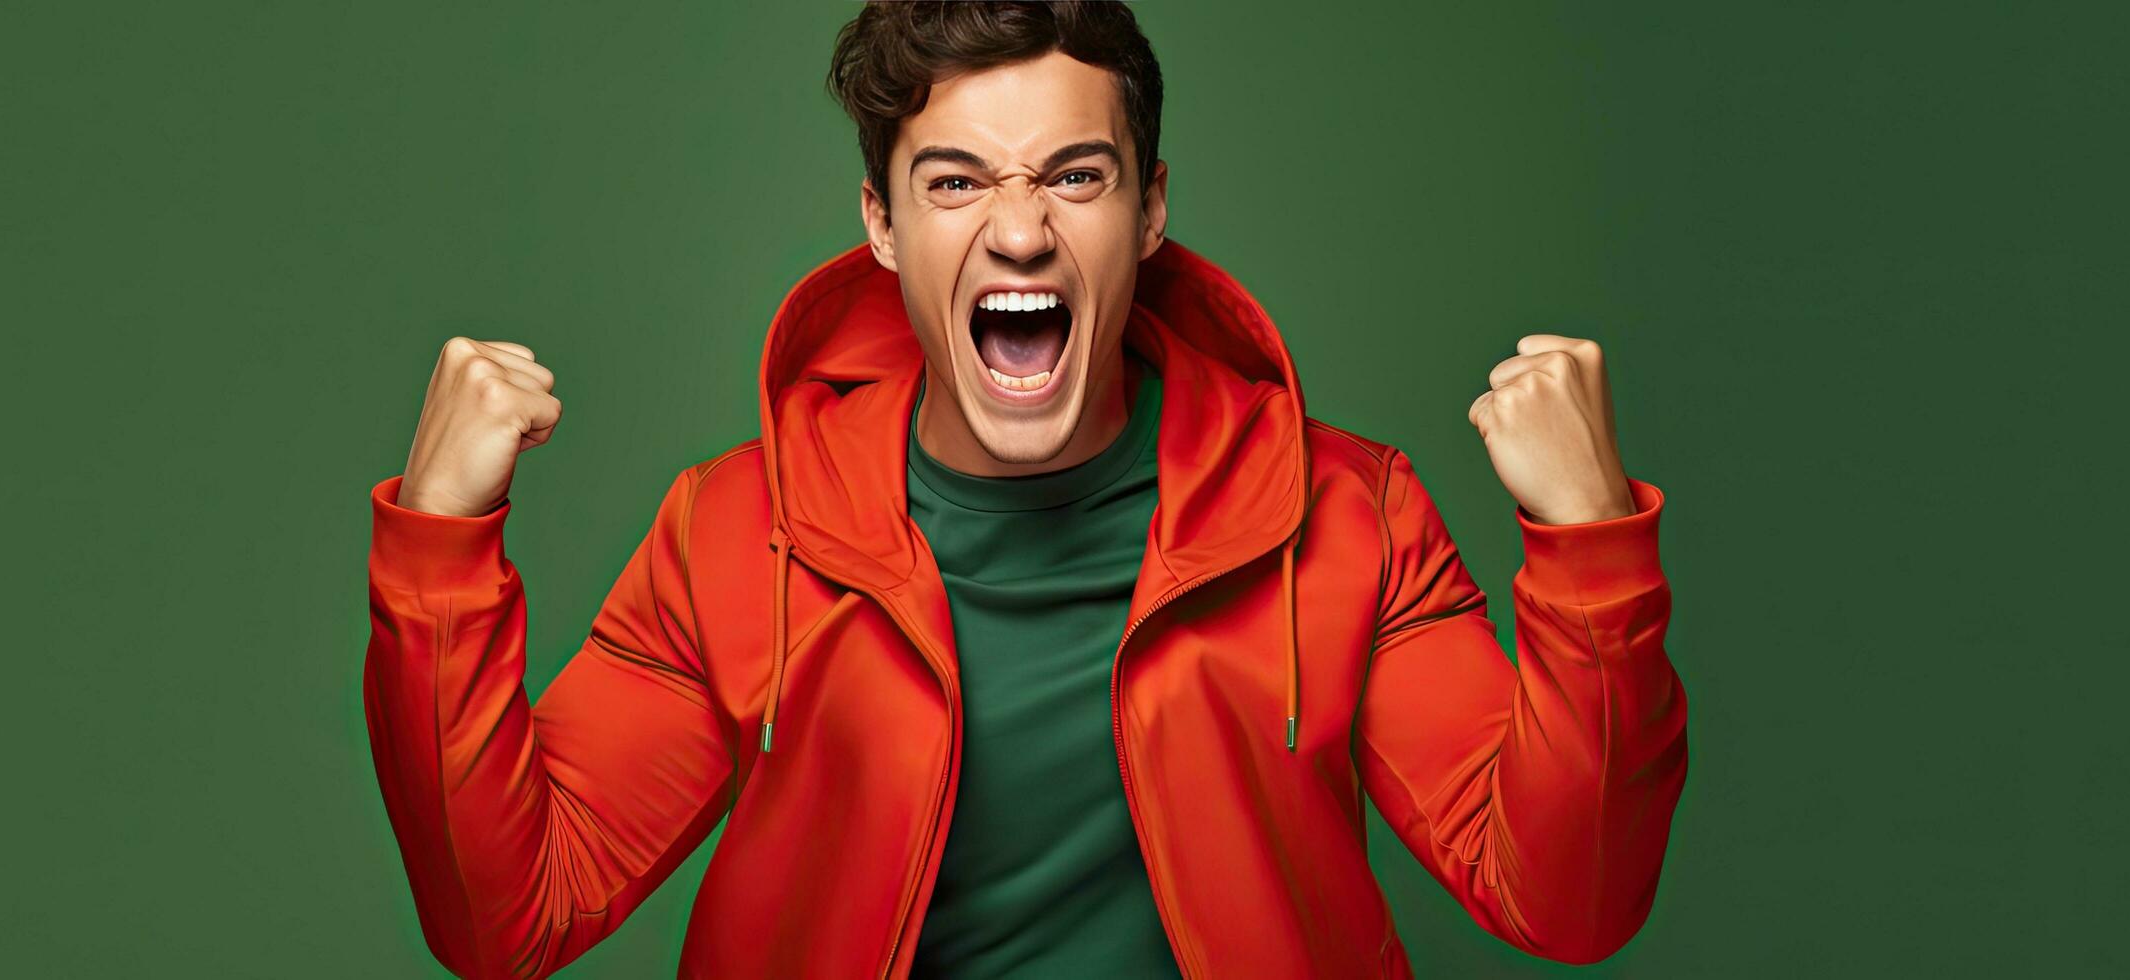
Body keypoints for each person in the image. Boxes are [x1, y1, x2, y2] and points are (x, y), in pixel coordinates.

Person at [360, 3, 1687, 977]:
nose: (1018, 229)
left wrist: (1590, 555)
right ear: (881, 225)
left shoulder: (1347, 515)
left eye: (1074, 176)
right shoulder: (735, 532)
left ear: (1149, 211)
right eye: (955, 182)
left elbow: (1567, 901)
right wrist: (437, 555)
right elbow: (505, 917)